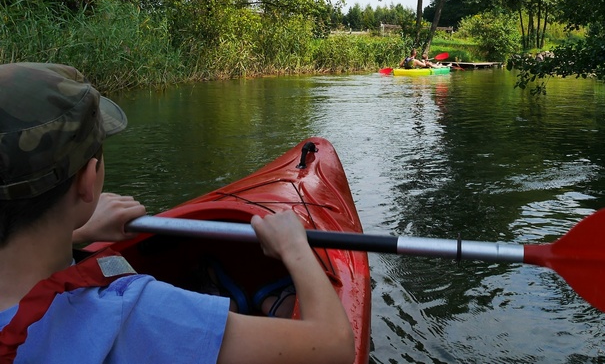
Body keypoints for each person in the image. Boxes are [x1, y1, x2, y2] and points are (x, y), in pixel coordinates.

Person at [0, 62, 355, 364]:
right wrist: (295, 248)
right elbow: (334, 346)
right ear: (88, 181)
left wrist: (76, 231)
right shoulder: (134, 314)